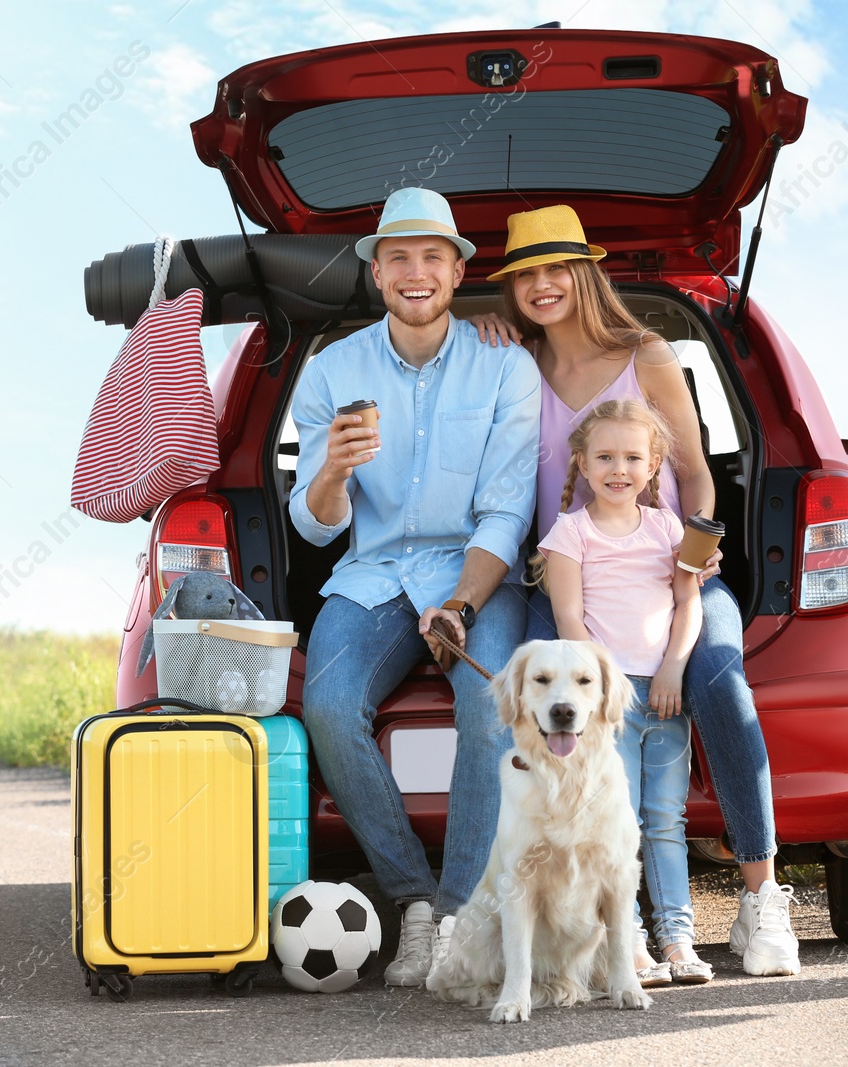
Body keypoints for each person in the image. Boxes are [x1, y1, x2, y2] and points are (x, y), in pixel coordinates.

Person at [474, 204, 801, 977]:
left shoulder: (645, 355)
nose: (543, 285)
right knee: (515, 691)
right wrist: (479, 330)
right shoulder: (512, 358)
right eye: (527, 275)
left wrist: (692, 556)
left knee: (721, 679)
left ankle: (762, 898)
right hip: (563, 572)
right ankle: (556, 923)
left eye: (558, 269)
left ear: (587, 272)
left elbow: (695, 472)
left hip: (667, 567)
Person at [289, 186, 541, 988]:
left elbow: (507, 510)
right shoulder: (332, 370)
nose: (416, 270)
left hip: (476, 572)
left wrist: (462, 605)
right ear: (377, 273)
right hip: (372, 578)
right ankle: (416, 904)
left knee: (488, 701)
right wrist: (331, 468)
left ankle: (464, 913)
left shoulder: (507, 363)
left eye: (433, 255)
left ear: (459, 269)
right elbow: (316, 525)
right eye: (398, 256)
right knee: (327, 705)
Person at [534, 399, 711, 985]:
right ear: (581, 464)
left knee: (665, 817)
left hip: (663, 694)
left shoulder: (668, 529)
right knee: (617, 821)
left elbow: (689, 604)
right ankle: (628, 942)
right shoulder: (569, 534)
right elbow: (570, 623)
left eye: (633, 457)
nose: (619, 468)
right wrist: (603, 693)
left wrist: (674, 668)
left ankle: (679, 939)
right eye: (605, 456)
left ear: (654, 463)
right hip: (609, 705)